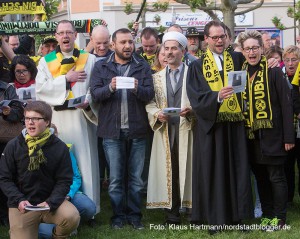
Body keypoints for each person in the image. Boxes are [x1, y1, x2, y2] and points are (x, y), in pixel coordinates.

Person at [186, 21, 253, 231]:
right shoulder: (197, 66)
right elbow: (195, 97)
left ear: (227, 37)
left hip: (234, 125)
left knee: (237, 169)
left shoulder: (238, 58)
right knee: (213, 172)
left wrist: (266, 63)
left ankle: (237, 217)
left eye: (222, 36)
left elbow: (254, 71)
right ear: (205, 39)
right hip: (211, 127)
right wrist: (216, 97)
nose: (219, 41)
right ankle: (216, 219)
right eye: (214, 37)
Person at [90, 28, 154, 230]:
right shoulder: (102, 67)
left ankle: (135, 216)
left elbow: (150, 94)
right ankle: (117, 216)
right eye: (123, 42)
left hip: (137, 129)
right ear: (113, 45)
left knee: (136, 179)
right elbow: (95, 94)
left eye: (130, 42)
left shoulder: (142, 65)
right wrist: (110, 87)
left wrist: (137, 88)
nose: (128, 46)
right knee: (116, 179)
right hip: (111, 131)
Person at [35, 20, 100, 214]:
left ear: (75, 35)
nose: (65, 36)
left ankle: (90, 206)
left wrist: (88, 100)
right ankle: (58, 205)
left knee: (85, 161)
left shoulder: (89, 60)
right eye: (61, 33)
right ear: (56, 36)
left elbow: (95, 87)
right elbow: (40, 91)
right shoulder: (45, 62)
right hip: (57, 121)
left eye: (69, 33)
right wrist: (65, 79)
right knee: (58, 163)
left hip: (82, 119)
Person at [238, 30, 294, 230]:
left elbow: (287, 105)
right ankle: (267, 215)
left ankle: (279, 218)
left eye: (255, 48)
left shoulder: (273, 71)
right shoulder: (240, 73)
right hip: (251, 137)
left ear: (262, 49)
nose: (251, 52)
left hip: (274, 135)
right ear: (242, 52)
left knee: (276, 177)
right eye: (247, 49)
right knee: (261, 177)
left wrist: (289, 137)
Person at [0, 101, 80, 239]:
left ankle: (57, 236)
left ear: (47, 122)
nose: (30, 122)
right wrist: (19, 199)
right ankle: (17, 230)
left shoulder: (59, 147)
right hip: (22, 205)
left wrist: (51, 202)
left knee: (71, 217)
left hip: (49, 202)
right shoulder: (13, 146)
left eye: (36, 119)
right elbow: (4, 179)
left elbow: (64, 180)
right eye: (27, 118)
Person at [146, 31, 193, 225]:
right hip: (166, 131)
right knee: (170, 171)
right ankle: (172, 215)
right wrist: (157, 114)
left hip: (188, 130)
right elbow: (149, 103)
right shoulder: (155, 78)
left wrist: (192, 110)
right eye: (166, 48)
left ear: (183, 51)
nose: (169, 52)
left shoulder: (193, 74)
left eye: (174, 48)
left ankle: (192, 211)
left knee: (189, 169)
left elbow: (201, 99)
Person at [38, 145, 96, 239]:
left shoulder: (65, 152)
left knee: (90, 208)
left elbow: (76, 177)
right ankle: (64, 227)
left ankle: (71, 225)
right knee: (46, 234)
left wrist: (68, 194)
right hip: (46, 199)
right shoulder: (33, 154)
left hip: (67, 192)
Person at [0, 80, 24, 227]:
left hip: (3, 141)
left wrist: (8, 112)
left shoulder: (7, 88)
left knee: (5, 176)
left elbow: (18, 112)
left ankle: (5, 214)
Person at [282, 45, 300, 205]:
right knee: (287, 167)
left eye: (294, 59)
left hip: (299, 129)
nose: (290, 63)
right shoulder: (280, 77)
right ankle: (288, 200)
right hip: (287, 131)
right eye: (287, 60)